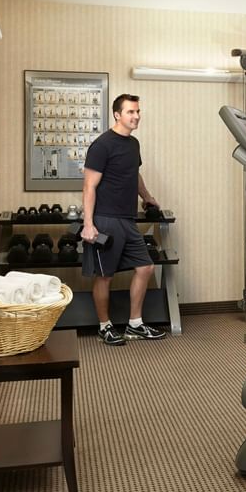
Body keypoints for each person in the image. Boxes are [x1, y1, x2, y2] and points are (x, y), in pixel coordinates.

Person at [81, 93, 166, 346]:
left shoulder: (133, 144)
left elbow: (134, 175)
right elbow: (89, 186)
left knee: (146, 267)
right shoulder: (102, 145)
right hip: (106, 219)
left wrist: (148, 197)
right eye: (131, 112)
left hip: (128, 219)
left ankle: (135, 325)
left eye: (138, 111)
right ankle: (104, 326)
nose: (136, 116)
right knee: (105, 275)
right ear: (117, 114)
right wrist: (88, 223)